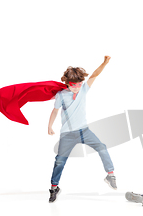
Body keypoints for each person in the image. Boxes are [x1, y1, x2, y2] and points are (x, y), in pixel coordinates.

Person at [48, 56, 116, 203]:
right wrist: (50, 126)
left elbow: (94, 75)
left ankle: (110, 175)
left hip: (84, 131)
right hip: (67, 134)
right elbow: (54, 111)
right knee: (60, 161)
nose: (77, 87)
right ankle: (54, 187)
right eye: (74, 85)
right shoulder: (61, 95)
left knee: (102, 147)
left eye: (79, 84)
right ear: (67, 83)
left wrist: (104, 63)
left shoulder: (84, 90)